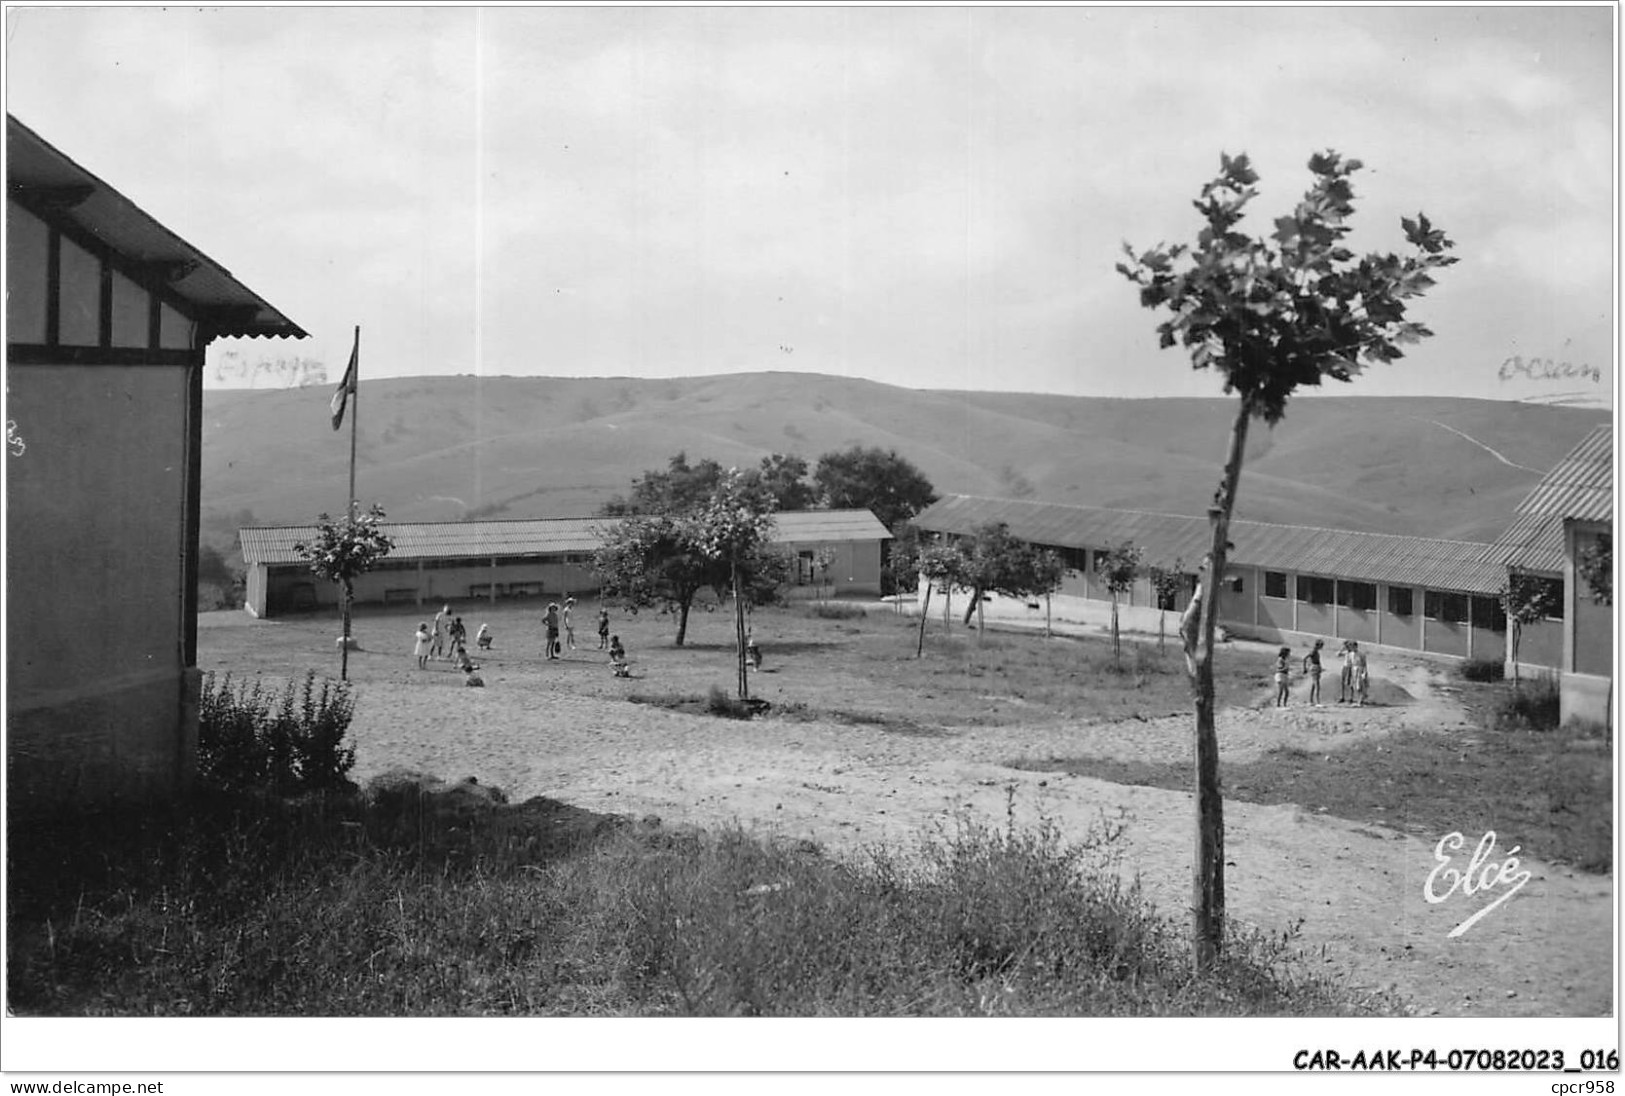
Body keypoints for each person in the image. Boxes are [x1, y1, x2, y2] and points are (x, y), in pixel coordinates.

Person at [1301, 639, 1325, 707]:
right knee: (1317, 685)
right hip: (1314, 668)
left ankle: (1311, 700)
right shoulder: (1313, 651)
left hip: (1316, 667)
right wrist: (1304, 668)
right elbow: (1305, 658)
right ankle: (1318, 702)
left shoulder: (1315, 651)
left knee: (1314, 685)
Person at [1349, 641, 1370, 706]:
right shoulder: (1351, 654)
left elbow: (1364, 664)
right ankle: (1359, 699)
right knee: (1355, 685)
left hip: (1359, 670)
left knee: (1359, 685)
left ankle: (1360, 701)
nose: (1352, 648)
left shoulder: (1361, 654)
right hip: (1354, 670)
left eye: (1353, 646)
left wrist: (1365, 672)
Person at [1337, 639, 1356, 704]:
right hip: (1345, 667)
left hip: (1350, 668)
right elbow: (1338, 654)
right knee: (1342, 682)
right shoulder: (1347, 652)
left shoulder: (1353, 653)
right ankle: (1343, 697)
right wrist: (1342, 648)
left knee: (1350, 683)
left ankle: (1351, 697)